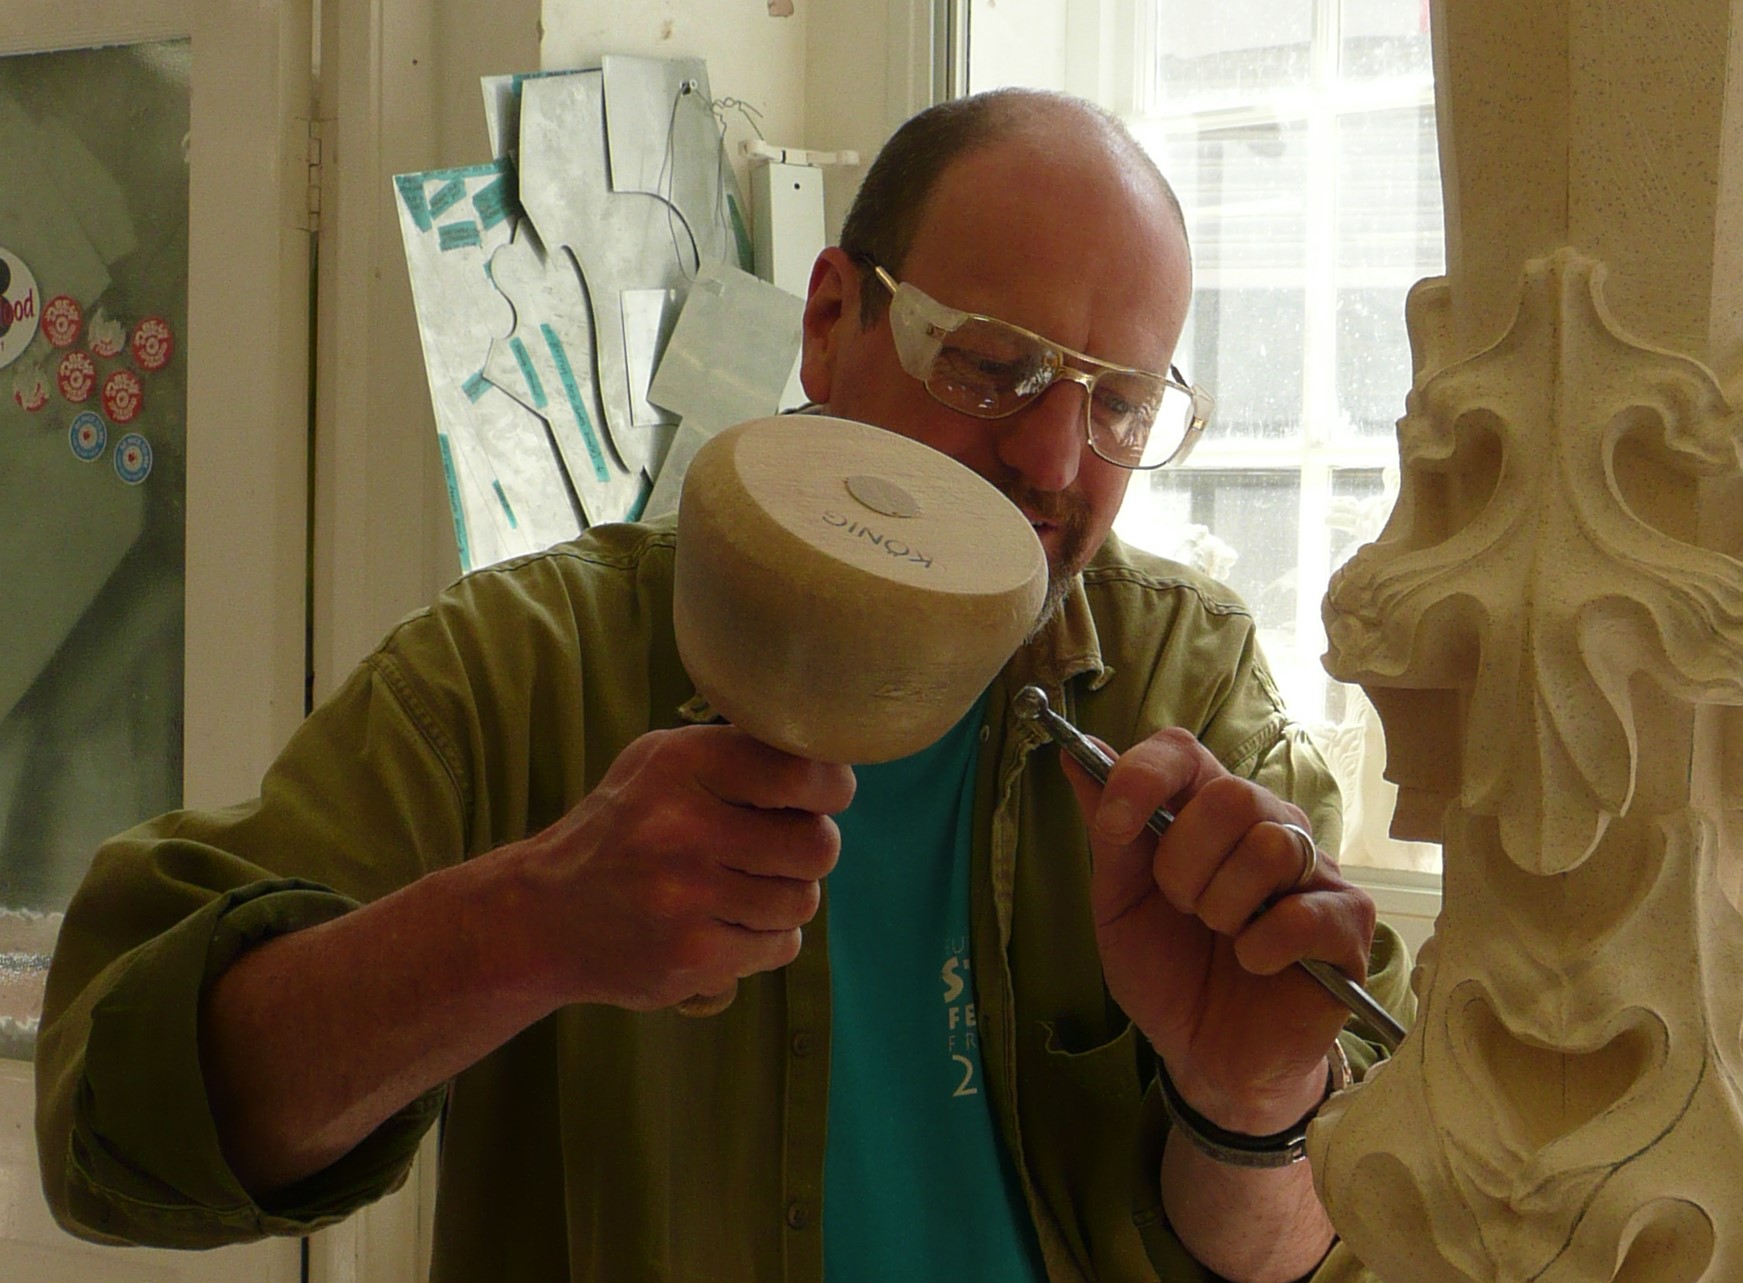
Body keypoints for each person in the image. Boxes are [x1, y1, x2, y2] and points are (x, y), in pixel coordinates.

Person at [35, 87, 1411, 1283]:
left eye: (1117, 403)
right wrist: (524, 924)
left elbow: (1311, 1244)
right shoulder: (524, 674)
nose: (1056, 461)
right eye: (996, 367)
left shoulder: (1182, 686)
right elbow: (115, 1129)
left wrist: (1247, 1111)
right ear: (830, 320)